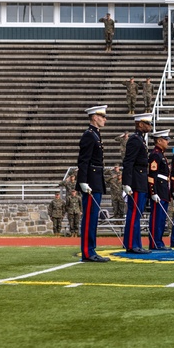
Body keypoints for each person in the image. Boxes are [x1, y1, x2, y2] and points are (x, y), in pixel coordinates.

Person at [76, 104, 110, 261]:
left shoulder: (95, 134)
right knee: (89, 217)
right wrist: (83, 181)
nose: (105, 119)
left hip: (95, 180)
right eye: (102, 116)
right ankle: (88, 252)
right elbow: (83, 161)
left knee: (94, 217)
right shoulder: (89, 135)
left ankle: (91, 250)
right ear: (95, 117)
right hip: (90, 180)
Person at [121, 112, 153, 254]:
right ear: (140, 124)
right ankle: (131, 244)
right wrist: (126, 182)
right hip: (136, 180)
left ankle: (135, 243)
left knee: (137, 214)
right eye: (147, 123)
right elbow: (128, 162)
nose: (149, 126)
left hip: (140, 180)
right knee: (134, 214)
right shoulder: (135, 140)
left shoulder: (140, 139)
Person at [147, 129, 172, 251]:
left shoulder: (160, 154)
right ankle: (155, 242)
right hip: (158, 189)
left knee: (161, 218)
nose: (167, 142)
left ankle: (159, 241)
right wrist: (153, 192)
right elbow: (152, 175)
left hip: (163, 189)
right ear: (159, 140)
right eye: (165, 139)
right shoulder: (155, 154)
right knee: (157, 217)